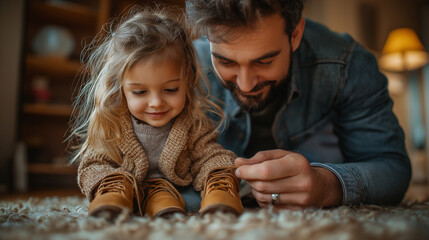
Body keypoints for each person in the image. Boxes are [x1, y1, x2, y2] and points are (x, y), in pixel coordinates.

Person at [186, 0, 412, 209]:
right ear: (208, 37)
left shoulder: (346, 65)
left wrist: (327, 185)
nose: (246, 85)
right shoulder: (186, 68)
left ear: (295, 35)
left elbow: (392, 169)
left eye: (264, 61)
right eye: (225, 61)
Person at [68, 7, 243, 221]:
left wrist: (217, 173)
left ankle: (219, 196)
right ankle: (114, 196)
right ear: (120, 87)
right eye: (140, 92)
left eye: (170, 90)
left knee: (217, 167)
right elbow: (92, 165)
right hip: (129, 191)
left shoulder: (192, 123)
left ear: (187, 82)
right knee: (108, 179)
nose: (156, 103)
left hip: (181, 193)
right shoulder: (113, 124)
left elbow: (209, 155)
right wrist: (111, 180)